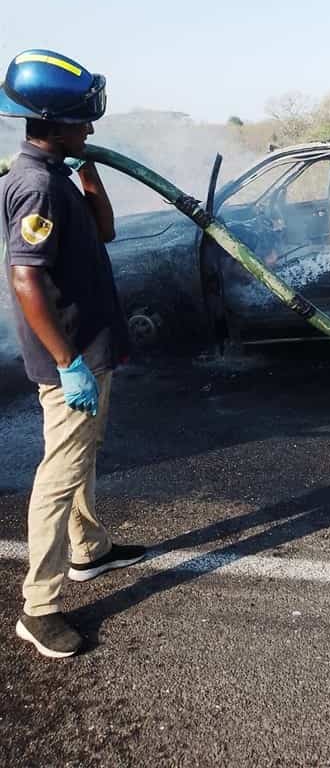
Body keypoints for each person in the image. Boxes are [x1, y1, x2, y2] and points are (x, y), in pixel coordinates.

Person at [0, 49, 145, 659]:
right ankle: (39, 607)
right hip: (72, 358)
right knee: (58, 475)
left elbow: (105, 229)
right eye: (83, 119)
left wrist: (90, 172)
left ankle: (88, 551)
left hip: (89, 345)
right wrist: (68, 362)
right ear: (53, 121)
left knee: (82, 454)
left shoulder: (58, 175)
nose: (92, 127)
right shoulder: (33, 186)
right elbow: (25, 278)